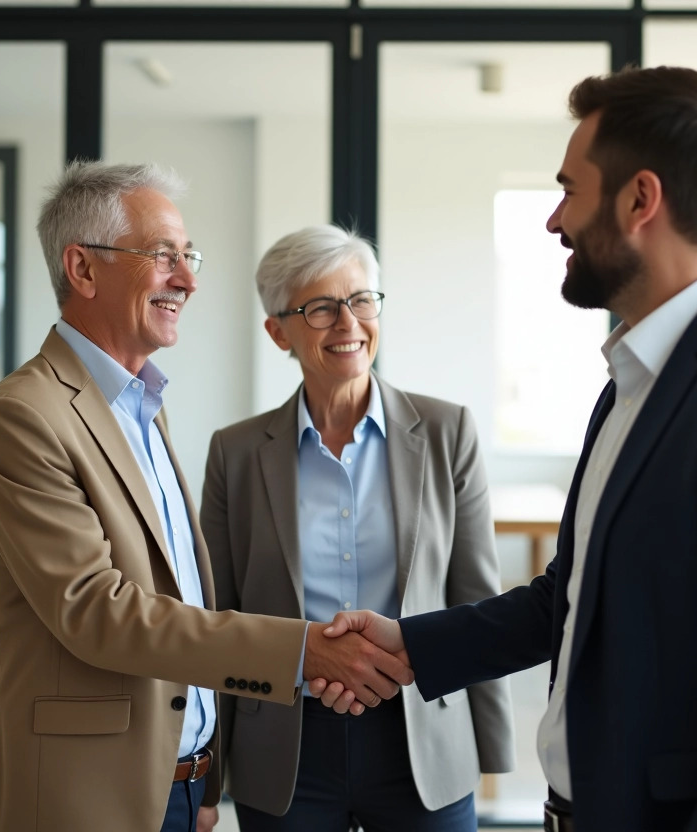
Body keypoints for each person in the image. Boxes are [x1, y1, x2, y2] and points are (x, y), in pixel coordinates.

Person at [318, 66, 697, 832]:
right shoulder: (630, 384)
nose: (554, 221)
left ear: (641, 200)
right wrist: (410, 644)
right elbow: (570, 600)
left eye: (569, 190)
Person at [0, 161, 413, 832]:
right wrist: (302, 650)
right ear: (82, 270)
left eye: (187, 256)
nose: (188, 280)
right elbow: (96, 612)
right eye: (163, 256)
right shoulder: (25, 414)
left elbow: (186, 600)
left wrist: (206, 777)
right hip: (87, 796)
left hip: (177, 782)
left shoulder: (144, 407)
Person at [200, 225, 514, 831]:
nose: (348, 323)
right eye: (320, 308)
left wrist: (492, 748)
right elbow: (221, 613)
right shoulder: (235, 453)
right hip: (286, 748)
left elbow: (476, 596)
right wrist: (210, 775)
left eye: (361, 300)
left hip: (423, 735)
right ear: (278, 331)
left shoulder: (448, 432)